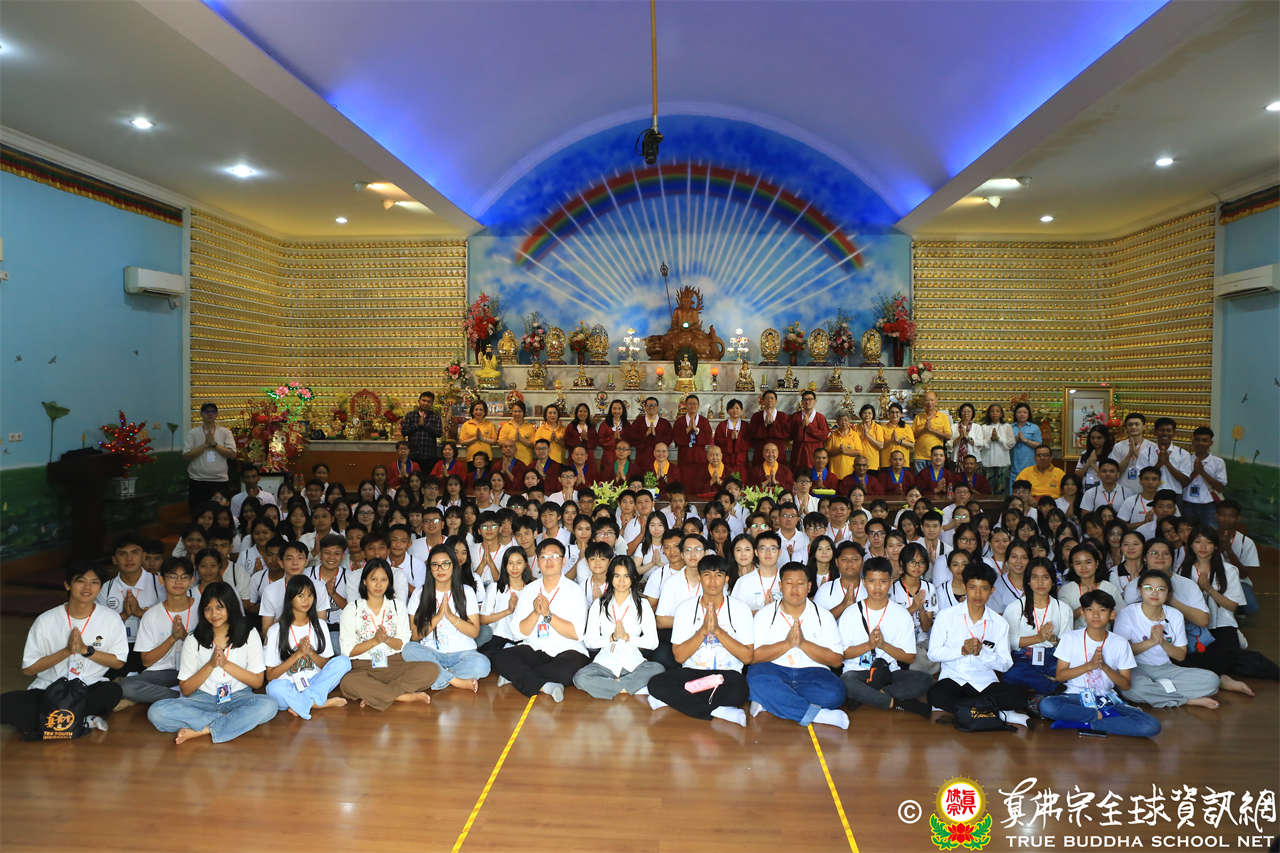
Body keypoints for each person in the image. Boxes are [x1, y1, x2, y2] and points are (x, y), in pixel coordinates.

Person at [2, 563, 126, 735]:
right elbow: (29, 669)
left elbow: (118, 662)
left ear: (100, 587)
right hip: (48, 689)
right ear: (68, 585)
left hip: (88, 687)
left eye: (94, 582)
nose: (87, 588)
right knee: (5, 704)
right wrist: (66, 651)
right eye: (80, 581)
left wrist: (86, 650)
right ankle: (78, 720)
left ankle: (48, 722)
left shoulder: (111, 619)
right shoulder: (46, 620)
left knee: (112, 691)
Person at [146, 582, 278, 743]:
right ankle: (231, 720)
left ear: (230, 607)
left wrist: (226, 664)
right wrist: (210, 665)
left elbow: (257, 682)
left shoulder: (249, 633)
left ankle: (205, 729)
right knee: (156, 712)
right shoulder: (193, 639)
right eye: (208, 608)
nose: (214, 614)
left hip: (239, 697)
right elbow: (186, 689)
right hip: (202, 699)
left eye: (219, 607)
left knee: (269, 705)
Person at [647, 555, 754, 726]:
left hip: (726, 674)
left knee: (740, 691)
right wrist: (703, 631)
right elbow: (679, 657)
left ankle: (677, 701)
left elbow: (747, 657)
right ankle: (718, 710)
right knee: (656, 684)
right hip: (693, 672)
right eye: (707, 575)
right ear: (699, 577)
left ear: (726, 579)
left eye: (718, 575)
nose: (713, 581)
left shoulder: (741, 609)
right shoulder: (685, 608)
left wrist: (718, 631)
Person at [1037, 590, 1161, 737]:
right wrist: (1089, 666)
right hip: (1075, 697)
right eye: (1090, 610)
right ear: (1083, 613)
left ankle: (1086, 723)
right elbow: (1060, 676)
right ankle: (1100, 718)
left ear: (1112, 614)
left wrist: (1105, 667)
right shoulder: (1070, 638)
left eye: (1102, 610)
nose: (1095, 615)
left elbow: (1126, 685)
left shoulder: (1120, 643)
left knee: (1151, 726)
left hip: (1107, 700)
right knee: (1048, 706)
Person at [746, 562, 847, 728]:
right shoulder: (764, 615)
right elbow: (753, 657)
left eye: (800, 584)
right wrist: (787, 644)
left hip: (812, 672)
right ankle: (817, 715)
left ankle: (772, 700)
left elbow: (836, 660)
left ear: (809, 587)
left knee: (835, 693)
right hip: (774, 670)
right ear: (780, 586)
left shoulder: (824, 616)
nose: (794, 589)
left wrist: (803, 643)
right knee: (754, 681)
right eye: (789, 583)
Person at [491, 538, 589, 701]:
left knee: (566, 671)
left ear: (563, 561)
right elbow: (518, 633)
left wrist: (548, 615)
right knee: (499, 658)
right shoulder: (529, 590)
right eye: (544, 557)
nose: (549, 561)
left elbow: (576, 633)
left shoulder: (575, 590)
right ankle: (545, 685)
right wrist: (535, 613)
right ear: (537, 561)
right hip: (535, 648)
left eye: (554, 556)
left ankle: (517, 676)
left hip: (567, 649)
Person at [926, 561, 1026, 715]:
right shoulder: (946, 616)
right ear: (965, 587)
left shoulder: (1000, 623)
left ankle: (968, 712)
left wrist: (982, 653)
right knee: (936, 694)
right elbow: (933, 654)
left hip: (985, 682)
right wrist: (962, 651)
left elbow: (1005, 664)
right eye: (972, 587)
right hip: (954, 679)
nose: (978, 594)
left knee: (1016, 695)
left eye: (984, 588)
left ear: (992, 590)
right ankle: (984, 711)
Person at [338, 560, 439, 710]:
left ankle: (378, 695)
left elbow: (403, 643)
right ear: (364, 581)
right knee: (347, 682)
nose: (378, 584)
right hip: (363, 667)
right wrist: (375, 641)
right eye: (373, 579)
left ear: (389, 582)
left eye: (383, 580)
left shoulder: (397, 606)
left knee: (432, 669)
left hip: (395, 664)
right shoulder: (352, 609)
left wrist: (386, 639)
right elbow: (347, 651)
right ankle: (401, 696)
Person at [1113, 569, 1220, 709]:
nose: (1154, 593)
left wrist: (1162, 642)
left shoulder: (1175, 615)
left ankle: (1157, 690)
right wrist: (1151, 641)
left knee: (1212, 681)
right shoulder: (1127, 613)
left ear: (1168, 594)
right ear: (1140, 591)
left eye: (1161, 589)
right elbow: (1120, 654)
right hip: (1134, 668)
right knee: (1131, 688)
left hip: (1165, 669)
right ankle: (1186, 700)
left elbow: (1180, 655)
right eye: (1148, 588)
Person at [838, 557, 932, 716]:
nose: (877, 587)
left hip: (888, 672)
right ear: (864, 582)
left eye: (882, 581)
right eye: (871, 581)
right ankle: (896, 703)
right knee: (846, 681)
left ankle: (868, 696)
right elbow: (843, 654)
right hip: (858, 672)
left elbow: (909, 658)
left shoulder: (901, 614)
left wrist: (883, 645)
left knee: (925, 680)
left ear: (890, 582)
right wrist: (869, 645)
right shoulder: (850, 613)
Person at [573, 556, 664, 699]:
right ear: (610, 577)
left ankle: (611, 686)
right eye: (617, 576)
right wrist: (612, 637)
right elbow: (589, 641)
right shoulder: (599, 604)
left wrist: (628, 637)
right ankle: (625, 687)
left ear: (633, 578)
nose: (622, 581)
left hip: (633, 663)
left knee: (658, 669)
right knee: (580, 678)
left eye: (626, 576)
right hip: (605, 663)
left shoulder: (643, 604)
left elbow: (653, 643)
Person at [263, 575, 352, 718]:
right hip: (288, 685)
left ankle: (302, 702)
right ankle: (316, 703)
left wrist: (310, 652)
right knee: (273, 688)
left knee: (344, 662)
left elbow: (326, 666)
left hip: (315, 683)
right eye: (301, 596)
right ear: (290, 598)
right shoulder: (275, 630)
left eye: (310, 595)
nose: (306, 600)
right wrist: (298, 654)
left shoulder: (320, 625)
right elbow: (270, 675)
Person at [403, 545, 490, 692]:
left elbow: (474, 632)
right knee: (408, 650)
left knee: (483, 664)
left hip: (463, 653)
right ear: (429, 568)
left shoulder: (467, 591)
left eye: (445, 564)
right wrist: (437, 618)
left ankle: (437, 676)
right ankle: (455, 680)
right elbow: (415, 636)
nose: (440, 569)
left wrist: (451, 616)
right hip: (431, 652)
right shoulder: (419, 593)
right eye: (435, 565)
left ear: (453, 566)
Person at [120, 557, 198, 704]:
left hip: (195, 669)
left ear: (191, 581)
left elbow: (211, 649)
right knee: (126, 685)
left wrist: (185, 637)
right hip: (164, 673)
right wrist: (173, 638)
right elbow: (146, 661)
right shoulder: (151, 615)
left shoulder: (202, 609)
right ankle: (180, 696)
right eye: (172, 577)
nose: (178, 582)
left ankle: (172, 695)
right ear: (161, 580)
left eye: (184, 577)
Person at [1000, 558, 1072, 695]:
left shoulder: (1063, 608)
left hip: (1051, 657)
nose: (1040, 582)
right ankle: (1050, 686)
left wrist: (1054, 640)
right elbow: (1007, 642)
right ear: (1028, 581)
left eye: (1045, 577)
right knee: (1011, 673)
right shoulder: (1015, 607)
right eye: (1035, 577)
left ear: (1053, 581)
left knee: (1071, 671)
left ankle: (1041, 684)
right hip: (1023, 658)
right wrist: (1038, 638)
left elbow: (1067, 645)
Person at [182, 402, 237, 513]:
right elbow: (186, 456)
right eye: (206, 411)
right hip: (198, 481)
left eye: (213, 411)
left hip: (219, 481)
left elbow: (232, 454)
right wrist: (205, 445)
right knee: (198, 513)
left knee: (219, 513)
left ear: (216, 414)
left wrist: (215, 445)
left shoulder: (225, 432)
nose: (210, 414)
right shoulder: (193, 433)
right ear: (201, 414)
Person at [1182, 427, 1226, 528]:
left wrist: (1202, 472)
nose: (1200, 443)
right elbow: (1180, 484)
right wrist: (1195, 472)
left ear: (1211, 443)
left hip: (1209, 505)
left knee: (1210, 533)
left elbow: (1220, 488)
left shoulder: (1218, 462)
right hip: (1187, 504)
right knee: (1187, 533)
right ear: (1193, 441)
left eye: (1204, 440)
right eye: (1197, 440)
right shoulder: (1185, 459)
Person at [623, 397, 673, 473]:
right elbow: (632, 439)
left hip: (660, 460)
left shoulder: (665, 423)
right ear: (645, 407)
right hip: (642, 460)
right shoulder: (638, 422)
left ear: (657, 407)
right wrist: (646, 434)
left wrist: (655, 435)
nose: (651, 407)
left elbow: (668, 440)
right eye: (649, 405)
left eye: (654, 405)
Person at [672, 394, 713, 486]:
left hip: (700, 457)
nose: (692, 406)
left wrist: (696, 430)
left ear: (698, 405)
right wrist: (687, 430)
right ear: (686, 405)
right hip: (684, 456)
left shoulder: (704, 421)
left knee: (699, 481)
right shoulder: (679, 421)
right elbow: (676, 438)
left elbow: (708, 438)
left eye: (694, 404)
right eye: (690, 404)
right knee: (684, 480)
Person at [400, 391, 442, 476]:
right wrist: (417, 425)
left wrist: (425, 425)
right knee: (413, 478)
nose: (426, 403)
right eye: (424, 400)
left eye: (429, 401)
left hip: (429, 455)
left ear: (432, 403)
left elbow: (439, 433)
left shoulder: (435, 417)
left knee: (427, 479)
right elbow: (404, 431)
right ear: (419, 401)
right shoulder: (410, 415)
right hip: (413, 454)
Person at [911, 391, 954, 472]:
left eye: (932, 400)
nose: (929, 403)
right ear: (923, 402)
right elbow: (912, 436)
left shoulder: (943, 417)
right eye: (927, 400)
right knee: (920, 479)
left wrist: (932, 430)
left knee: (936, 478)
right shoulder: (918, 417)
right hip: (920, 456)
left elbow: (948, 436)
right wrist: (924, 430)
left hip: (937, 456)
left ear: (936, 401)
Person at [789, 390, 829, 471]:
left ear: (815, 401)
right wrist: (801, 427)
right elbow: (790, 434)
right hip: (798, 451)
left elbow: (824, 436)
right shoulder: (795, 416)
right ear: (802, 402)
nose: (807, 402)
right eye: (805, 399)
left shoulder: (820, 417)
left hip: (814, 451)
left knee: (814, 474)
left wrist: (809, 426)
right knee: (797, 473)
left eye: (810, 399)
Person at [1008, 402, 1041, 491]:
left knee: (1029, 490)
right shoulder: (1010, 427)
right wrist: (1015, 440)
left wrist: (1025, 441)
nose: (1022, 414)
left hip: (1029, 464)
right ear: (1015, 414)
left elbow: (1039, 445)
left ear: (1028, 414)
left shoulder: (1034, 428)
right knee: (1014, 491)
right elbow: (1006, 445)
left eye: (1024, 412)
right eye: (1019, 412)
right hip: (1013, 465)